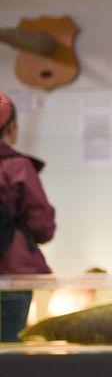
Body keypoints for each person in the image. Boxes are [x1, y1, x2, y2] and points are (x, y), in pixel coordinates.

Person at [0, 92, 57, 342]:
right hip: (13, 271)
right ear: (11, 126)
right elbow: (42, 226)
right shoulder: (18, 167)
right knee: (9, 347)